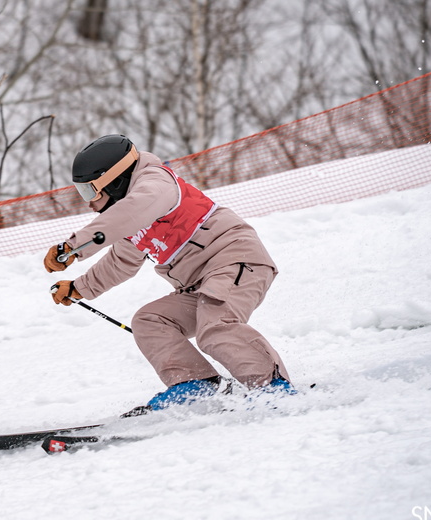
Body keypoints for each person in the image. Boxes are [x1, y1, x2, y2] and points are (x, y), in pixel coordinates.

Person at [43, 134, 293, 413]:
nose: (88, 203)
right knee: (150, 320)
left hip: (235, 261)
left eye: (90, 192)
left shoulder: (155, 183)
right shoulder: (131, 219)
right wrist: (79, 287)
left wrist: (74, 247)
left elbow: (133, 209)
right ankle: (195, 384)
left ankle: (271, 387)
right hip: (198, 284)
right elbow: (121, 262)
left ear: (114, 181)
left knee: (215, 326)